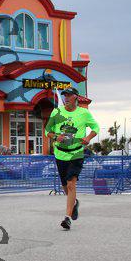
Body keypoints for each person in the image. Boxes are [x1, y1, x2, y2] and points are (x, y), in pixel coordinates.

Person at [45, 87, 99, 230]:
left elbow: (96, 128)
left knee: (71, 184)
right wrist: (56, 137)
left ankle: (67, 218)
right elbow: (47, 131)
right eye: (65, 96)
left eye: (69, 95)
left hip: (76, 154)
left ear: (76, 97)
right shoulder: (57, 112)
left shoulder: (84, 113)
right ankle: (74, 203)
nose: (66, 98)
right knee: (65, 185)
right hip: (60, 153)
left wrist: (88, 137)